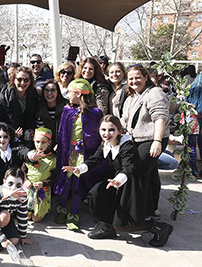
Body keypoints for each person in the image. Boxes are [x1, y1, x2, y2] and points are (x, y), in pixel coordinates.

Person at [63, 115, 173, 247]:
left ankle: (159, 228)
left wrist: (118, 180)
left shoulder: (126, 145)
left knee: (125, 222)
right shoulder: (106, 144)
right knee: (96, 195)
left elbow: (129, 167)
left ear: (119, 131)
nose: (106, 133)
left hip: (130, 184)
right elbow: (95, 159)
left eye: (111, 130)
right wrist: (78, 169)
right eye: (103, 130)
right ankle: (107, 227)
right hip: (117, 181)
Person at [53, 79, 105, 230]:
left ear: (79, 94)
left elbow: (96, 135)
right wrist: (61, 144)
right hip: (68, 153)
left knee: (77, 183)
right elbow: (62, 131)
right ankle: (62, 208)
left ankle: (74, 213)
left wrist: (85, 145)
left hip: (83, 154)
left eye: (70, 92)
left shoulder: (95, 112)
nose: (68, 95)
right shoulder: (67, 110)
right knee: (65, 180)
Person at [120, 65, 170, 220]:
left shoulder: (154, 93)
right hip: (136, 140)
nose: (134, 81)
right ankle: (151, 209)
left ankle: (141, 211)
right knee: (150, 173)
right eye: (131, 78)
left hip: (151, 139)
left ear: (146, 77)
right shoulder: (132, 97)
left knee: (138, 172)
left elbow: (160, 117)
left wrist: (157, 141)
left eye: (138, 77)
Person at [0, 167, 33, 252]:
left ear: (22, 185)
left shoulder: (22, 196)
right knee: (5, 215)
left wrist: (23, 236)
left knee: (15, 240)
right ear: (4, 182)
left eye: (18, 185)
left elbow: (22, 216)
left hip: (5, 215)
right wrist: (2, 239)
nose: (13, 188)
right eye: (10, 183)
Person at [0, 66, 39, 144]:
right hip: (8, 138)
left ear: (30, 81)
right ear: (13, 80)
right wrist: (10, 132)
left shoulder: (33, 95)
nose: (22, 83)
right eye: (19, 79)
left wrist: (31, 129)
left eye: (26, 80)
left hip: (28, 137)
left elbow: (35, 116)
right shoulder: (5, 96)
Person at [19, 127, 57, 222]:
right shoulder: (30, 154)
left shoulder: (52, 159)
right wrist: (25, 180)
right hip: (28, 189)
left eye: (43, 142)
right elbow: (22, 170)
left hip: (42, 191)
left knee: (36, 218)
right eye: (37, 141)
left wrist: (43, 183)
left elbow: (54, 179)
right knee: (26, 217)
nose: (39, 145)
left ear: (49, 142)